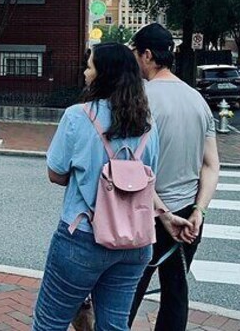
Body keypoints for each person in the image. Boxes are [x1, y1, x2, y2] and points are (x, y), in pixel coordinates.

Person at [33, 42, 160, 331]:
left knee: (49, 323)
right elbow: (153, 175)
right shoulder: (149, 123)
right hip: (135, 242)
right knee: (114, 325)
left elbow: (56, 173)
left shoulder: (78, 116)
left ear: (104, 74)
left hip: (84, 235)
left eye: (90, 66)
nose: (85, 72)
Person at [127, 23, 220, 331]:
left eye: (135, 53)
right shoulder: (197, 100)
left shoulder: (139, 98)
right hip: (188, 215)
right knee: (176, 293)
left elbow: (132, 166)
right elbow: (210, 165)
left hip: (147, 212)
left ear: (147, 55)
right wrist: (199, 211)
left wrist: (163, 214)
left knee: (128, 290)